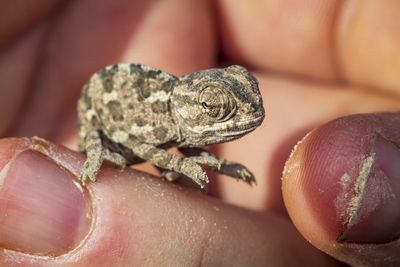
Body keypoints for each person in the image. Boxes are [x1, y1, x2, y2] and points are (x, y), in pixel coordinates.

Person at [0, 1, 399, 266]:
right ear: (195, 107)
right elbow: (141, 142)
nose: (246, 113)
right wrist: (179, 163)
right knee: (110, 161)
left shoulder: (180, 115)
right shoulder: (164, 114)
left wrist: (201, 160)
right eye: (214, 108)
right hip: (102, 125)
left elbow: (180, 141)